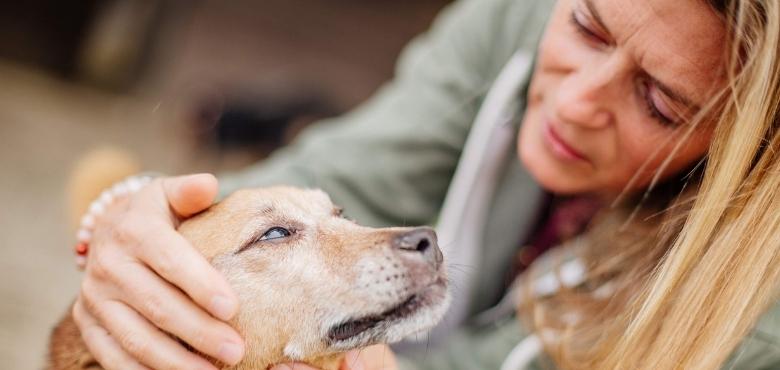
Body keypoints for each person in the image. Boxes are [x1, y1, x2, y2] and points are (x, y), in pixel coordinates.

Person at [70, 0, 780, 369]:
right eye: (588, 29)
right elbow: (343, 172)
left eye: (659, 102)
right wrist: (133, 219)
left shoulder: (762, 313)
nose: (571, 104)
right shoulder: (514, 19)